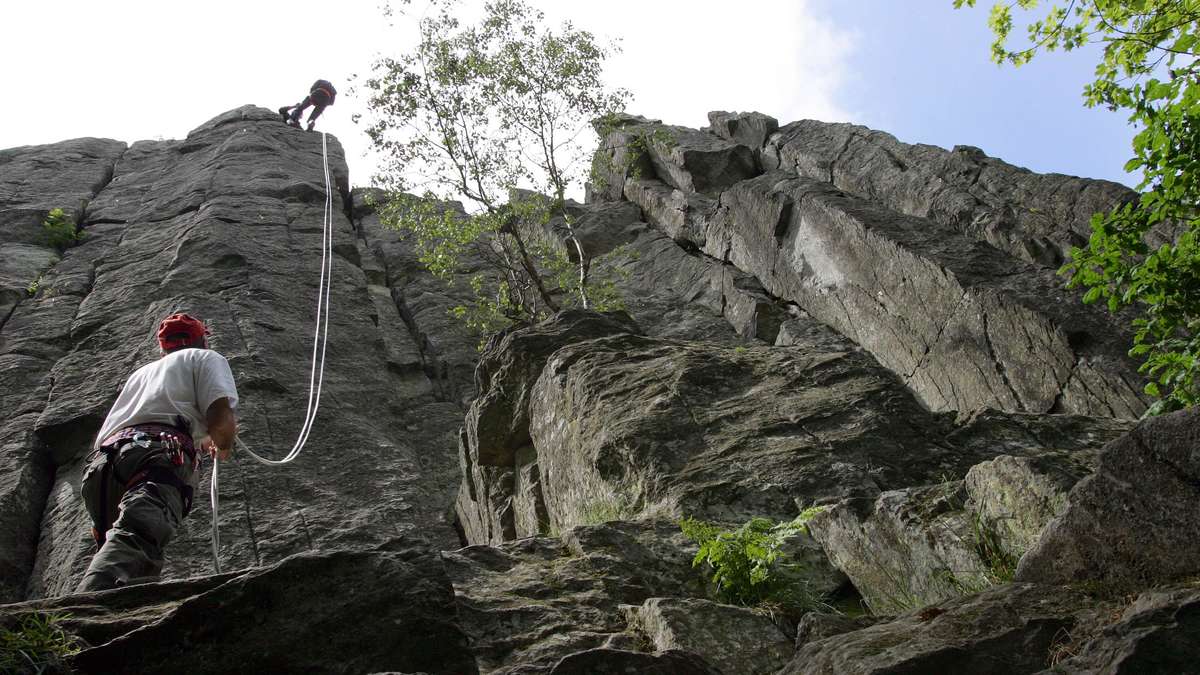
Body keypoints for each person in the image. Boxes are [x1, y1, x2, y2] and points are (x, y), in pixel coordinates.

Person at [76, 313, 239, 592]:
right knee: (137, 539)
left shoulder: (141, 374)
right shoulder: (205, 359)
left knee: (123, 555)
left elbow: (154, 414)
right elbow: (219, 415)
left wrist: (201, 440)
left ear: (163, 347)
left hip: (103, 465)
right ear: (203, 341)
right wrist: (224, 444)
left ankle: (120, 618)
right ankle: (77, 617)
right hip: (159, 454)